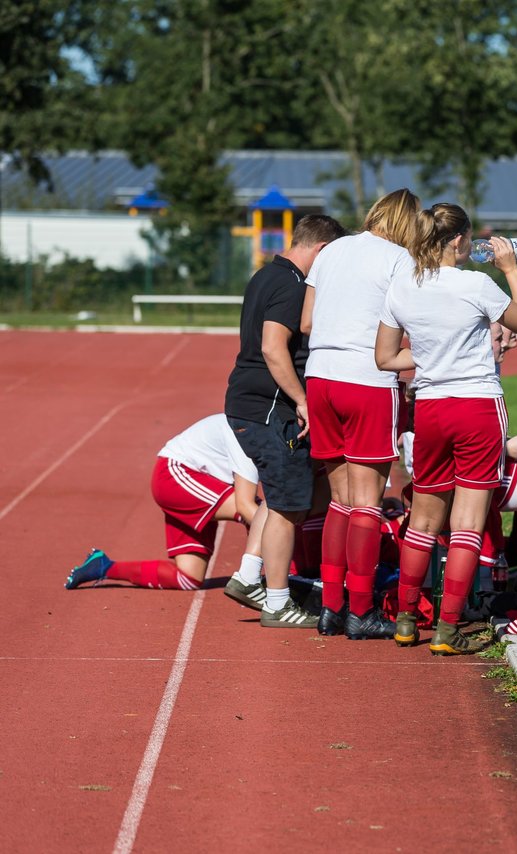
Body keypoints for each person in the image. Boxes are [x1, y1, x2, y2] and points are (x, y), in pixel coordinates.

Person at [375, 203, 517, 654]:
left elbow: (386, 358)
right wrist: (510, 267)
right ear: (459, 240)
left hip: (429, 407)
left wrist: (432, 356)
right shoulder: (476, 283)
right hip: (477, 406)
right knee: (467, 524)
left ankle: (406, 620)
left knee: (422, 523)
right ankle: (447, 629)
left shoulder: (403, 285)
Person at [303, 189, 420, 640]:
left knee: (339, 500)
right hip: (366, 378)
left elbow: (307, 322)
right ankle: (361, 609)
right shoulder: (399, 260)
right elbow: (410, 321)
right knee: (368, 501)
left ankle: (331, 606)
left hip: (321, 376)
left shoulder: (332, 250)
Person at [225, 214, 346, 628]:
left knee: (288, 494)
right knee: (288, 507)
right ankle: (277, 603)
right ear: (323, 250)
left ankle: (247, 575)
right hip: (269, 408)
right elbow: (274, 346)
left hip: (252, 404)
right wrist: (302, 400)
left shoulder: (265, 275)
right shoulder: (293, 286)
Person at [65, 415, 260, 591]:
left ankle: (103, 566)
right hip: (176, 475)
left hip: (207, 479)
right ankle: (276, 582)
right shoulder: (247, 429)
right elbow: (249, 508)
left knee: (188, 578)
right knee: (262, 514)